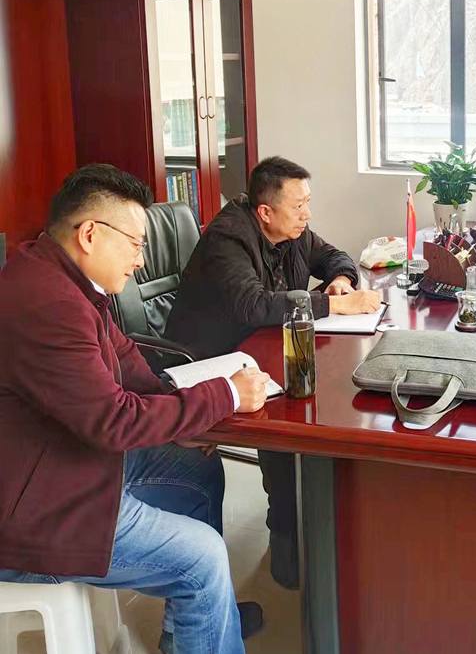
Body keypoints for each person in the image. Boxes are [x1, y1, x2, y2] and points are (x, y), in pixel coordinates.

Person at [0, 164, 273, 654]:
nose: (140, 259)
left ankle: (192, 628)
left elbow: (126, 360)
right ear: (90, 234)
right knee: (203, 559)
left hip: (65, 465)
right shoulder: (47, 303)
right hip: (35, 510)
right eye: (135, 243)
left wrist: (182, 420)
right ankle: (204, 605)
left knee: (195, 471)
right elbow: (114, 422)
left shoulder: (65, 279)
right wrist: (225, 396)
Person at [166, 156, 382, 590]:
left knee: (325, 398)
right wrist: (334, 305)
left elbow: (333, 255)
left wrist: (341, 279)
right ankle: (288, 541)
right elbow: (253, 305)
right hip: (214, 360)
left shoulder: (294, 233)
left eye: (308, 203)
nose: (307, 214)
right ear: (265, 211)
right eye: (298, 206)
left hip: (262, 350)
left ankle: (324, 533)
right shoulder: (228, 238)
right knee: (289, 428)